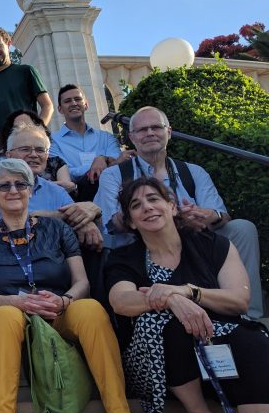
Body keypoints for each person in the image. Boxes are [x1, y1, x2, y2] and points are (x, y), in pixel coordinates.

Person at [106, 177, 269, 413]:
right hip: (159, 367)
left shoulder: (212, 245)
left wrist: (186, 292)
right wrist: (170, 301)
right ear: (131, 221)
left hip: (221, 347)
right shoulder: (126, 258)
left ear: (172, 206)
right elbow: (121, 301)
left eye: (154, 199)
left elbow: (239, 300)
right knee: (161, 323)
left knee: (252, 341)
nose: (147, 207)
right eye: (136, 205)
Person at [0, 159, 146, 413]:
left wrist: (64, 300)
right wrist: (17, 301)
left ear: (30, 190)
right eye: (4, 186)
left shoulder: (57, 229)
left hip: (59, 310)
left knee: (91, 309)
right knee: (4, 315)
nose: (13, 190)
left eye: (21, 184)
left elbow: (81, 282)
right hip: (15, 316)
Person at [96, 105, 263, 318]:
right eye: (142, 129)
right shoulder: (113, 175)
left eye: (156, 127)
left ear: (169, 132)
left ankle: (250, 316)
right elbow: (112, 224)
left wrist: (207, 215)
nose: (150, 133)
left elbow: (221, 214)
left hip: (195, 241)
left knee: (242, 228)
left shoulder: (193, 171)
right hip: (144, 246)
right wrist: (150, 214)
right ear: (131, 137)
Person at [0, 26, 53, 166]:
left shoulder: (26, 71)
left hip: (23, 148)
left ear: (8, 44)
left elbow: (47, 106)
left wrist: (36, 133)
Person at [48, 84, 128, 202]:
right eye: (67, 101)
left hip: (114, 194)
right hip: (77, 199)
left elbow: (119, 163)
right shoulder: (51, 141)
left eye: (77, 99)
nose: (74, 103)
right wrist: (96, 166)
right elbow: (63, 173)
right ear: (60, 109)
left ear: (86, 105)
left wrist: (102, 159)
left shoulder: (106, 137)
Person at [0, 109, 73, 192]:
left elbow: (67, 188)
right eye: (25, 149)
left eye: (40, 150)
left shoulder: (55, 163)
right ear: (9, 155)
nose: (33, 154)